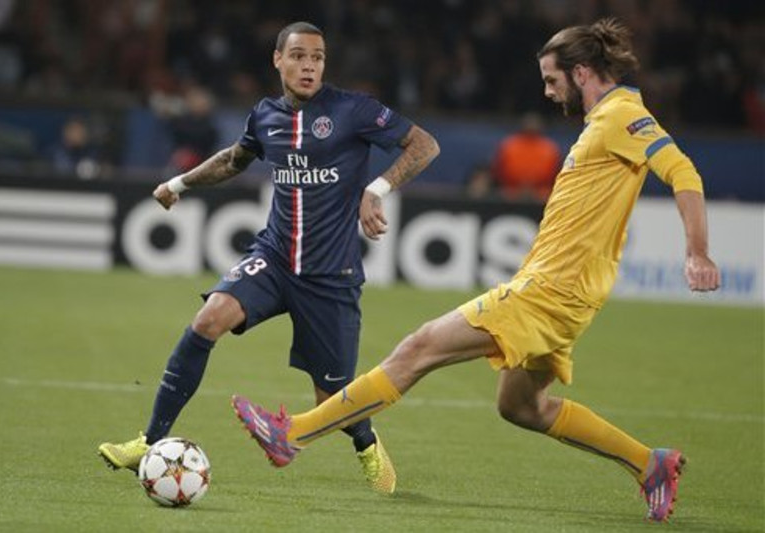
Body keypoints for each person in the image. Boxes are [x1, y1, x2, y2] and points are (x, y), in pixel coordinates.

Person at [232, 18, 720, 521]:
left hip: (550, 291)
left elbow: (682, 171)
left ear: (581, 73)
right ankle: (649, 464)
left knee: (418, 348)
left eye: (553, 81)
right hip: (564, 292)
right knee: (521, 407)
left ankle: (292, 436)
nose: (548, 93)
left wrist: (697, 251)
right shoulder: (602, 124)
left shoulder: (622, 115)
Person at [98, 21, 440, 495]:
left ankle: (364, 441)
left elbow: (425, 144)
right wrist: (178, 185)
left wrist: (376, 188)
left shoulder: (353, 110)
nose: (309, 65)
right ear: (277, 60)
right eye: (298, 56)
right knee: (208, 319)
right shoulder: (265, 116)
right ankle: (150, 440)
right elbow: (233, 160)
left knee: (333, 400)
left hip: (330, 276)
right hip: (275, 259)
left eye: (317, 57)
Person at [489, 112, 561, 201]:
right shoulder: (509, 145)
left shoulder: (550, 148)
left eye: (534, 123)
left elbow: (557, 174)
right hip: (510, 191)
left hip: (542, 193)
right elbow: (497, 171)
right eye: (529, 122)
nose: (531, 126)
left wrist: (533, 188)